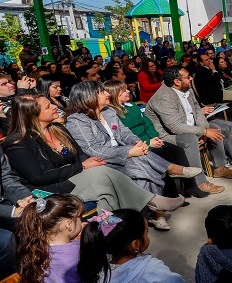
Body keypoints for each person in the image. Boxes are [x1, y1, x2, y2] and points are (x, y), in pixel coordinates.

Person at [4, 94, 183, 225]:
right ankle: (152, 202)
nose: (54, 107)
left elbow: (80, 153)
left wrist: (89, 162)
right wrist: (82, 166)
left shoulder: (58, 129)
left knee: (106, 193)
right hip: (49, 188)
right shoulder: (18, 142)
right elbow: (38, 177)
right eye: (47, 106)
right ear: (32, 114)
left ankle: (112, 235)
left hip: (75, 177)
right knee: (103, 173)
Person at [65, 81, 200, 205]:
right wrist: (128, 151)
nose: (107, 94)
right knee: (141, 163)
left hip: (121, 153)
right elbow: (93, 149)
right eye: (101, 92)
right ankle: (168, 172)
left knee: (141, 163)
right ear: (89, 96)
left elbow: (124, 132)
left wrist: (137, 143)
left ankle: (154, 210)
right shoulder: (77, 120)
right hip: (102, 161)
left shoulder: (108, 112)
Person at [104, 80, 209, 198]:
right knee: (165, 156)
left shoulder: (132, 106)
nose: (128, 91)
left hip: (151, 139)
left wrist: (154, 137)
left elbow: (147, 123)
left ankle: (190, 186)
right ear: (115, 94)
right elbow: (126, 135)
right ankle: (171, 195)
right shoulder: (112, 114)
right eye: (123, 91)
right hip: (138, 144)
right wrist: (149, 142)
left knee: (177, 150)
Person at [145, 66, 232, 182]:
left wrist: (204, 130)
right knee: (190, 139)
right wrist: (203, 131)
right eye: (188, 77)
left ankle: (220, 168)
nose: (191, 79)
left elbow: (197, 110)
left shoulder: (187, 89)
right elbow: (175, 127)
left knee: (214, 129)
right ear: (177, 82)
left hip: (188, 126)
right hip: (167, 134)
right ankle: (198, 181)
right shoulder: (164, 97)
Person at [16, 194, 85, 283]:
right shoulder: (77, 253)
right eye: (79, 218)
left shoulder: (37, 249)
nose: (81, 221)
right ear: (68, 224)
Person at [194, 53, 232, 122]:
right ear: (201, 63)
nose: (209, 61)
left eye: (209, 59)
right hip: (212, 95)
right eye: (206, 60)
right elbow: (216, 80)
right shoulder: (202, 71)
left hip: (217, 90)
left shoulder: (206, 69)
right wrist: (214, 70)